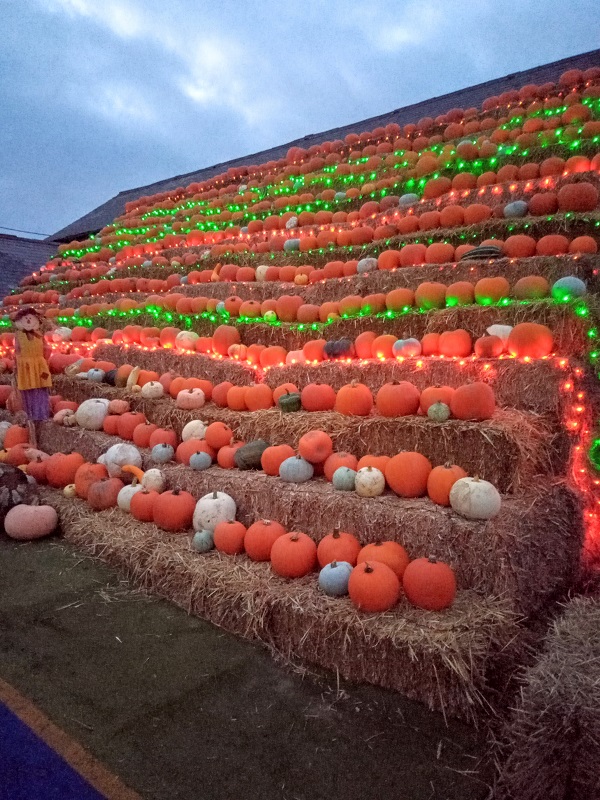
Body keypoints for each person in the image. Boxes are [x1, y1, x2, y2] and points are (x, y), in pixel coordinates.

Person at [12, 307, 52, 447]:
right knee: (28, 388)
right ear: (19, 322)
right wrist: (16, 365)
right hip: (26, 366)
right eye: (25, 319)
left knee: (41, 388)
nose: (28, 320)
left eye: (31, 318)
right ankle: (30, 415)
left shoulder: (39, 335)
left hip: (39, 365)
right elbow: (17, 351)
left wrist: (44, 359)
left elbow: (47, 349)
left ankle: (42, 413)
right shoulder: (19, 335)